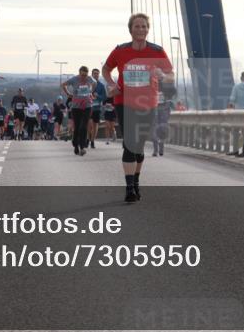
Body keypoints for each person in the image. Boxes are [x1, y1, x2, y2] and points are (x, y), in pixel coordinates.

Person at [103, 13, 174, 203]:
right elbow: (106, 69)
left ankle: (135, 181)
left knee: (139, 146)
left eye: (144, 26)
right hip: (123, 102)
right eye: (137, 26)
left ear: (148, 29)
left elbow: (170, 75)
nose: (141, 29)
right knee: (130, 143)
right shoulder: (120, 51)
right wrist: (111, 84)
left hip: (147, 103)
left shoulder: (157, 51)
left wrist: (161, 74)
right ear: (130, 29)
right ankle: (129, 188)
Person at [62, 66, 96, 155]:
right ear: (79, 73)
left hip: (87, 106)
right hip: (76, 107)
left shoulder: (90, 79)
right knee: (77, 127)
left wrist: (91, 91)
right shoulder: (74, 79)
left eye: (85, 75)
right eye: (82, 75)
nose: (84, 77)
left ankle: (82, 147)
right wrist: (68, 94)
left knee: (83, 126)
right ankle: (75, 145)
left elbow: (95, 83)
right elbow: (63, 85)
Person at [88, 67, 107, 149]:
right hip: (88, 107)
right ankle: (88, 139)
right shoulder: (88, 84)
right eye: (94, 73)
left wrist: (98, 96)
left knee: (95, 125)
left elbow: (104, 97)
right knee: (89, 125)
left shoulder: (101, 86)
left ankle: (92, 141)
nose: (96, 75)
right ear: (92, 75)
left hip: (97, 108)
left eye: (97, 74)